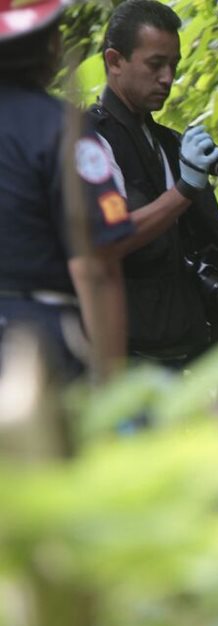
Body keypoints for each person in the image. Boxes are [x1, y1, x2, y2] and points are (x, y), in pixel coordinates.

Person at [89, 0, 218, 366]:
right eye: (155, 65)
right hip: (129, 359)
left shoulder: (167, 142)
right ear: (114, 61)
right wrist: (185, 189)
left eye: (174, 65)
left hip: (190, 348)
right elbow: (110, 237)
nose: (168, 78)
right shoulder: (90, 142)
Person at [0, 0, 132, 383]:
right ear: (52, 46)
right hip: (34, 349)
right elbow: (95, 267)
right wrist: (111, 389)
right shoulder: (62, 129)